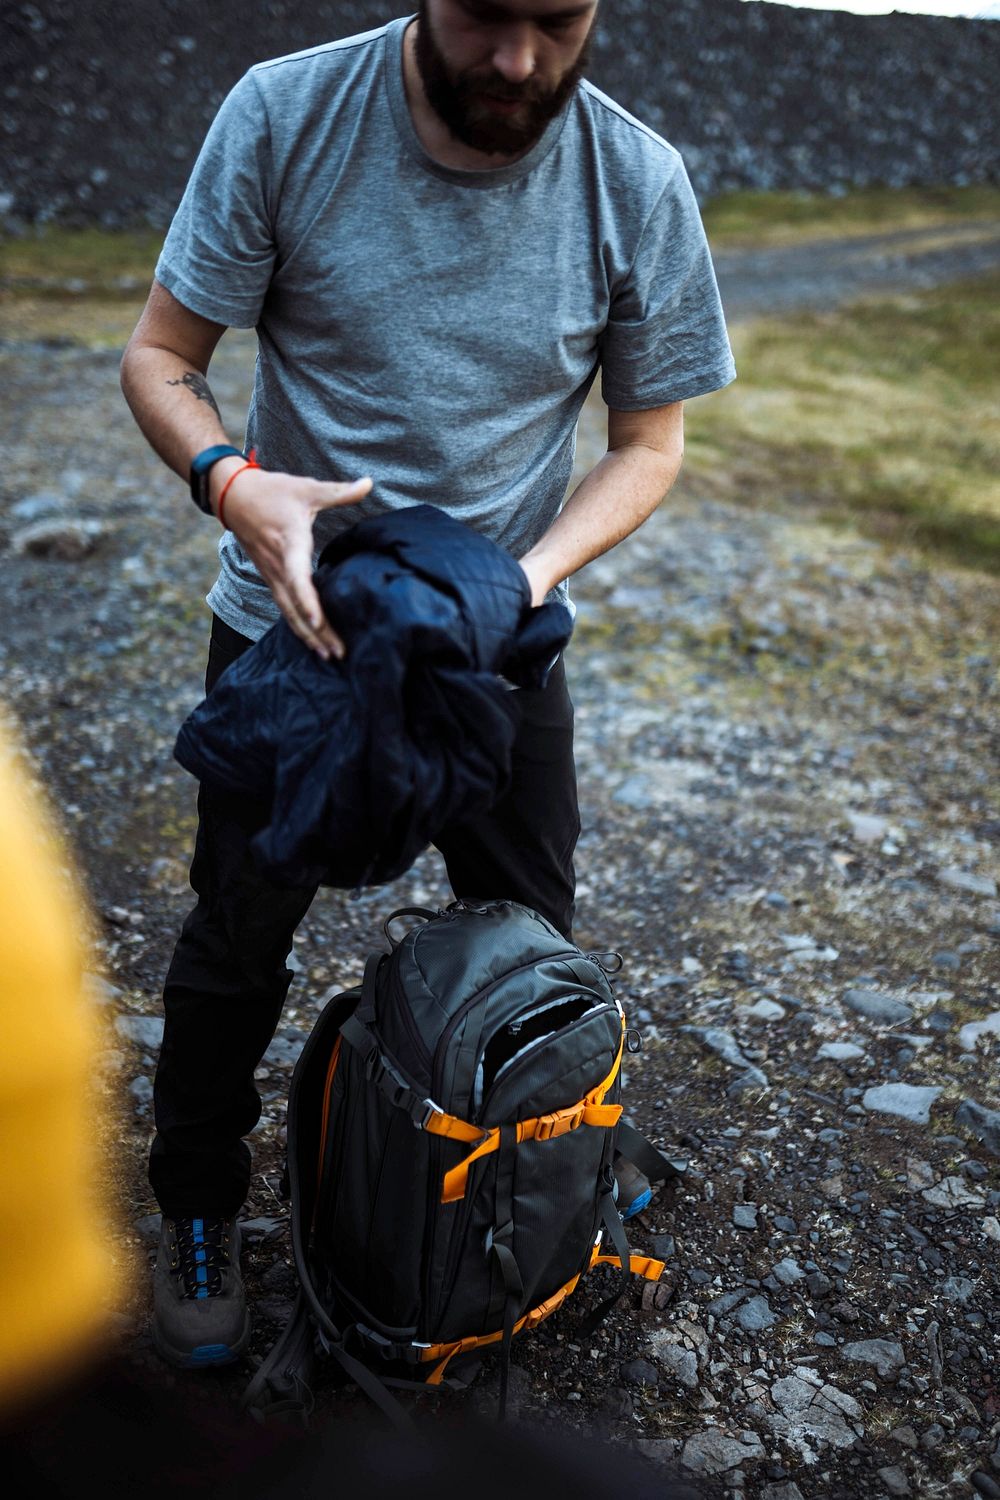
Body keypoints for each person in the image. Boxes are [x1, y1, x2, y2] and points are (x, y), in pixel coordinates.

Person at [120, 0, 736, 1369]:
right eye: (482, 15)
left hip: (498, 645)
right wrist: (237, 485)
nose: (516, 59)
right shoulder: (285, 114)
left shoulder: (635, 179)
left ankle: (526, 1171)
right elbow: (161, 359)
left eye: (556, 20)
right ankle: (202, 1206)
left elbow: (650, 442)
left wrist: (525, 579)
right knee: (234, 941)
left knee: (528, 943)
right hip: (296, 631)